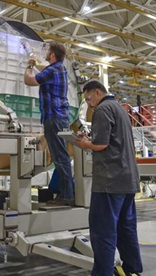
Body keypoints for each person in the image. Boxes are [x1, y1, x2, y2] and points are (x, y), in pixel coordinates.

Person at [74, 80, 143, 276]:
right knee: (126, 229)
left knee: (102, 232)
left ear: (98, 92)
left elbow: (101, 144)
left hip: (109, 183)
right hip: (128, 181)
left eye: (89, 99)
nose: (89, 104)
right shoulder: (120, 109)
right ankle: (133, 270)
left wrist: (85, 144)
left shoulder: (103, 110)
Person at [24, 41, 74, 206]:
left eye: (47, 51)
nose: (45, 53)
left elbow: (29, 80)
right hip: (59, 117)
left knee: (60, 157)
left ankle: (67, 196)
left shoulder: (53, 70)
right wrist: (31, 53)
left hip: (54, 118)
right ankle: (66, 193)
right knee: (61, 157)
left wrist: (29, 65)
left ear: (52, 55)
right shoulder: (59, 69)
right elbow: (43, 69)